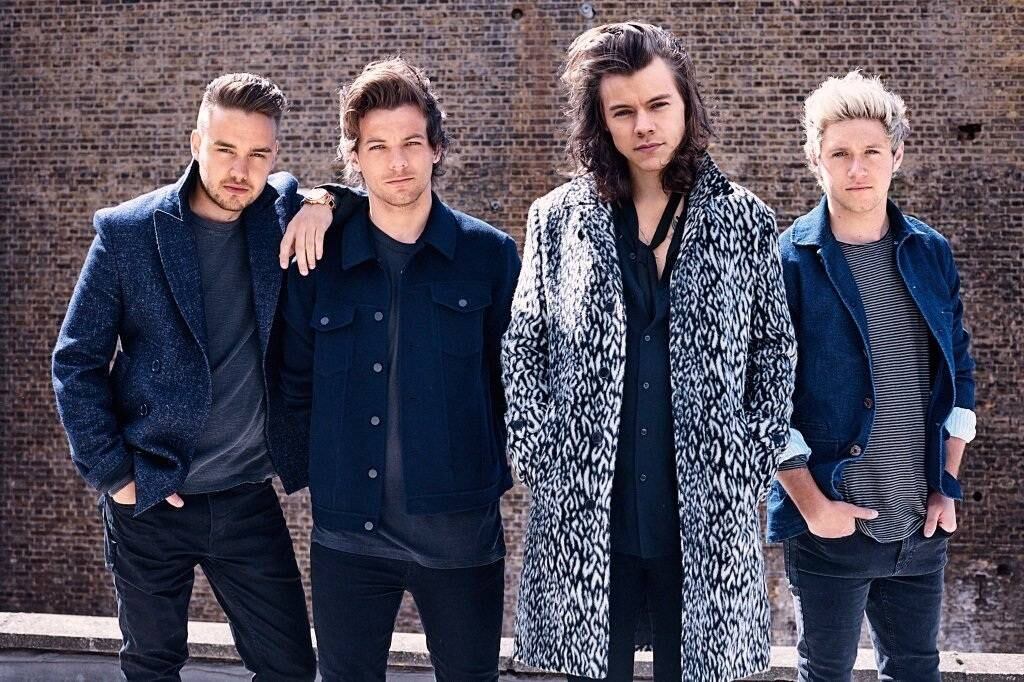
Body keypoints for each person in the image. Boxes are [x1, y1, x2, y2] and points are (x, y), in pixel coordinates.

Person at [502, 22, 796, 681]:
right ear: (600, 121)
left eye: (658, 104)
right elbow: (524, 347)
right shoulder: (557, 218)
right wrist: (543, 459)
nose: (644, 125)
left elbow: (775, 350)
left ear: (686, 103)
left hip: (704, 510)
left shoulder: (744, 219)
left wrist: (747, 463)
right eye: (622, 111)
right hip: (587, 511)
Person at [51, 73, 324, 681]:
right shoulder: (128, 233)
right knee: (152, 666)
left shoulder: (281, 210)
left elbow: (348, 192)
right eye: (225, 149)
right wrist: (115, 474)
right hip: (151, 495)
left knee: (290, 668)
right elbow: (76, 360)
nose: (240, 170)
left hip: (247, 498)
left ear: (274, 156)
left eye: (257, 154)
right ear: (196, 142)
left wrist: (326, 204)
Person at [279, 57, 521, 682]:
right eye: (378, 147)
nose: (398, 163)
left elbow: (515, 385)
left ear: (437, 147)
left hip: (460, 534)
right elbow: (293, 379)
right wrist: (318, 472)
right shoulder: (317, 257)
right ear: (354, 158)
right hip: (348, 535)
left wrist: (486, 472)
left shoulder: (489, 256)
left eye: (412, 143)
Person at [770, 71, 977, 682]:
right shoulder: (787, 262)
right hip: (831, 525)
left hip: (921, 524)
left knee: (916, 670)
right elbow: (762, 399)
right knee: (825, 673)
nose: (857, 168)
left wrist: (946, 486)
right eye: (840, 154)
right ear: (816, 159)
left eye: (872, 152)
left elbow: (959, 375)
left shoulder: (930, 253)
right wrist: (814, 508)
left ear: (897, 156)